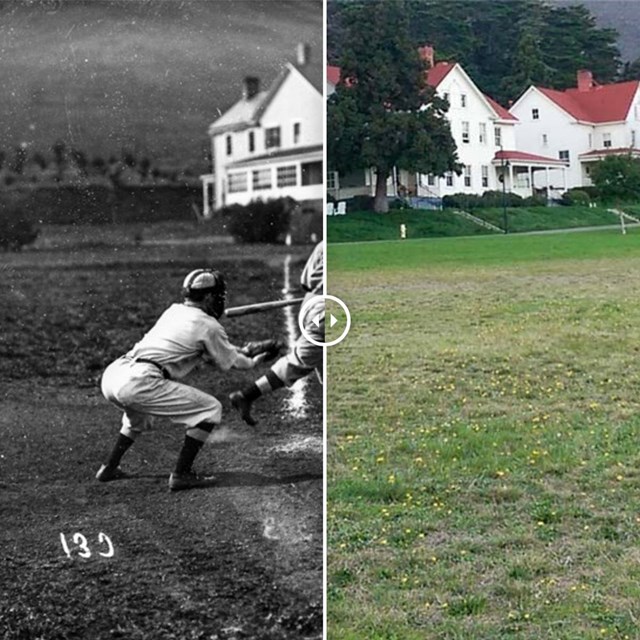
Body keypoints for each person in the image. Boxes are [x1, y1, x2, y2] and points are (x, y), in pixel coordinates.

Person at [97, 268, 270, 491]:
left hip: (114, 375)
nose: (220, 300)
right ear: (208, 297)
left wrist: (243, 350)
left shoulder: (173, 311)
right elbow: (233, 362)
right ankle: (182, 474)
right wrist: (255, 358)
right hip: (140, 381)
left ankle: (109, 468)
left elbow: (208, 348)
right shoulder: (209, 326)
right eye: (218, 296)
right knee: (210, 409)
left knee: (137, 418)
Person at [229, 241, 324, 426]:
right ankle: (245, 395)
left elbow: (306, 283)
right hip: (325, 313)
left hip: (311, 305)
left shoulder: (323, 244)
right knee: (299, 362)